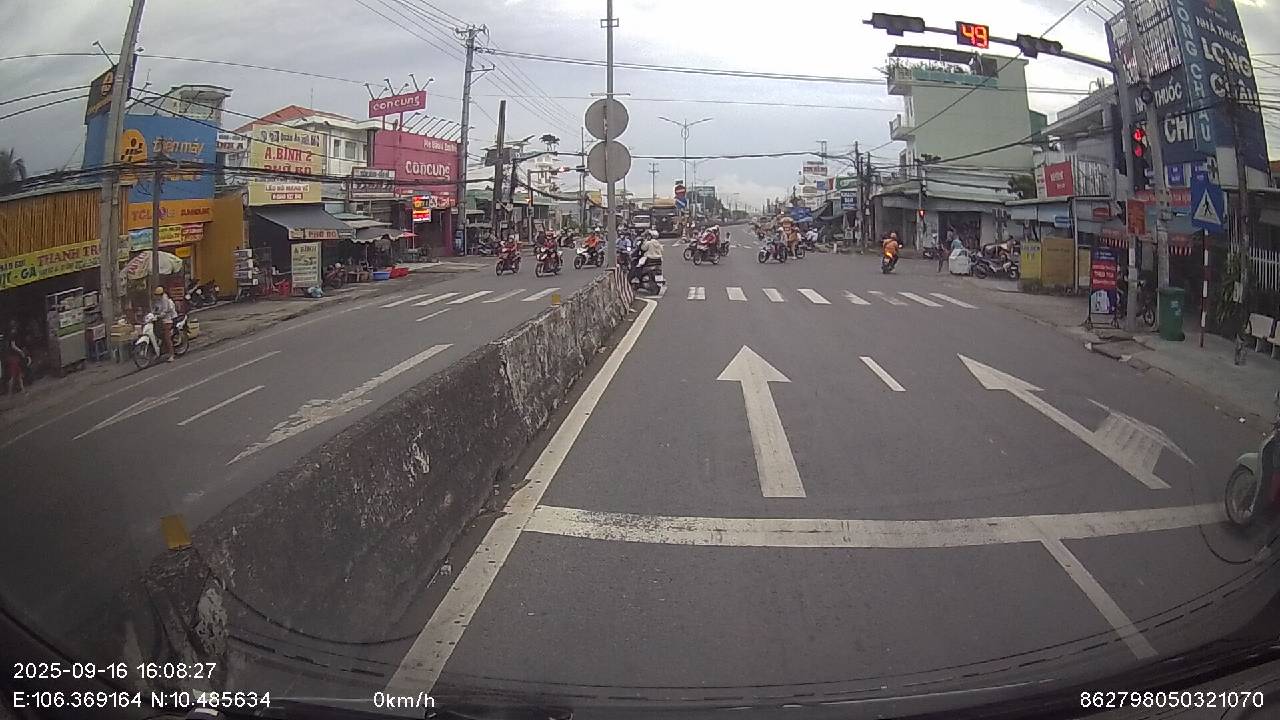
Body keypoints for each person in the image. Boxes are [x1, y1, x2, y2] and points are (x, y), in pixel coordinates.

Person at [152, 286, 177, 362]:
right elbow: (155, 308)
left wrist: (160, 315)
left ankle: (172, 354)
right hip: (160, 320)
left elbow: (165, 310)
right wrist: (152, 314)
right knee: (157, 334)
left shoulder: (165, 300)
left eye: (158, 295)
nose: (157, 296)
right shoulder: (157, 300)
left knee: (167, 338)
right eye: (156, 295)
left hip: (168, 319)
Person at [3, 320, 28, 395]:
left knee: (18, 374)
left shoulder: (10, 334)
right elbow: (13, 346)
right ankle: (9, 393)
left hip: (14, 357)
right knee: (13, 376)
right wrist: (21, 351)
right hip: (13, 357)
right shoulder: (13, 334)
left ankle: (23, 390)